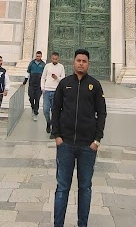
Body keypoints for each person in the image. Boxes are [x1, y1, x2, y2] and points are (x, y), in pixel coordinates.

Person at [51, 49, 107, 227]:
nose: (81, 63)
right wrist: (57, 135)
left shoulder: (95, 85)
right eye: (78, 60)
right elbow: (55, 109)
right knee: (62, 188)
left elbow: (102, 113)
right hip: (65, 143)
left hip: (87, 146)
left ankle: (82, 224)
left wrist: (97, 140)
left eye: (84, 61)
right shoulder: (65, 83)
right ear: (73, 62)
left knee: (85, 188)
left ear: (88, 63)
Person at [41, 51, 66, 137]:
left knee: (55, 112)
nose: (54, 60)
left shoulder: (61, 67)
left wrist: (57, 78)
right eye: (53, 58)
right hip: (47, 91)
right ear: (51, 58)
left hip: (56, 91)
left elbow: (63, 79)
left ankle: (53, 130)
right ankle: (49, 122)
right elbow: (43, 77)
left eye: (56, 59)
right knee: (45, 110)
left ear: (58, 59)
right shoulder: (47, 66)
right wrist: (42, 88)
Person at [24, 50, 45, 121]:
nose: (38, 57)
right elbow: (28, 71)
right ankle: (33, 107)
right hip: (32, 83)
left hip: (39, 84)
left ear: (41, 56)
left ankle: (36, 113)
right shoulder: (32, 63)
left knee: (37, 99)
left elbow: (45, 74)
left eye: (39, 56)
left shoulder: (43, 64)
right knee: (31, 97)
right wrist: (25, 81)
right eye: (37, 56)